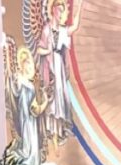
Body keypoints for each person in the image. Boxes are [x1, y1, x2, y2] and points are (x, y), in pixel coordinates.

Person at [36, 0, 83, 144]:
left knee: (62, 96)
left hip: (60, 66)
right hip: (50, 65)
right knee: (53, 97)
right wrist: (47, 50)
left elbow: (74, 27)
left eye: (62, 10)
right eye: (58, 9)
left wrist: (80, 7)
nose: (60, 12)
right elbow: (39, 48)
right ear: (52, 10)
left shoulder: (62, 30)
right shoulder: (46, 30)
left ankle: (61, 128)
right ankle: (53, 130)